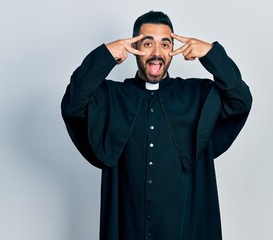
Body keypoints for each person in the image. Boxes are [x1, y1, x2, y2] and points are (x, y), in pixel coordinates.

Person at [61, 10, 252, 240]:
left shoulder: (196, 95)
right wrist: (104, 56)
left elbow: (241, 100)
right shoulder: (112, 97)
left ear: (172, 49)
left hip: (185, 229)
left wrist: (211, 54)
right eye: (148, 43)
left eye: (164, 44)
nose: (156, 53)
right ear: (134, 48)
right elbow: (73, 104)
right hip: (127, 228)